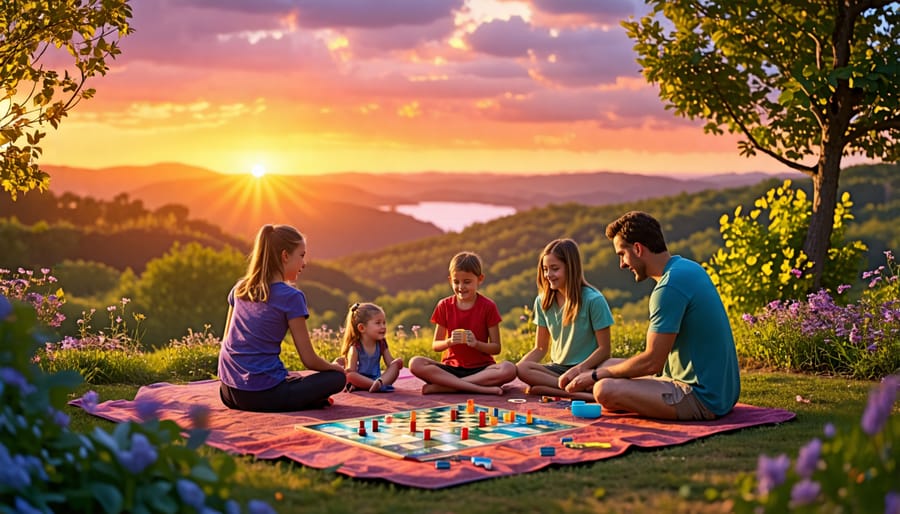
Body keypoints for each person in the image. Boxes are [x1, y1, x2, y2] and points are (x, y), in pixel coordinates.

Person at [578, 211, 740, 420]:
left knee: (604, 389)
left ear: (637, 248)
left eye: (622, 254)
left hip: (703, 398)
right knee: (605, 366)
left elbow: (652, 363)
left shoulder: (669, 287)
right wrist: (598, 371)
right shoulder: (687, 268)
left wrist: (594, 376)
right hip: (722, 392)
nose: (622, 264)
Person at [218, 224, 346, 412]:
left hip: (227, 391)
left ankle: (303, 395)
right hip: (263, 396)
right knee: (337, 379)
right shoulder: (292, 297)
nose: (304, 263)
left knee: (291, 378)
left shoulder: (240, 288)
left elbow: (227, 339)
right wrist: (335, 368)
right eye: (301, 255)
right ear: (285, 256)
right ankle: (309, 399)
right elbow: (309, 360)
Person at [517, 239, 615, 401]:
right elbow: (540, 348)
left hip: (586, 369)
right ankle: (574, 391)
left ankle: (561, 388)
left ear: (571, 268)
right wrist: (517, 371)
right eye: (545, 269)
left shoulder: (594, 300)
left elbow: (604, 349)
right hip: (557, 369)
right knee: (523, 368)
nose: (548, 275)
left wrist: (578, 370)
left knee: (535, 387)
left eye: (555, 269)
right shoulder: (542, 301)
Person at [408, 251, 517, 395]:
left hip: (481, 369)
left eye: (467, 282)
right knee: (415, 363)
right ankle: (475, 388)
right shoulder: (444, 305)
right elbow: (436, 345)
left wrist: (476, 344)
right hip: (451, 369)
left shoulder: (488, 306)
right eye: (456, 282)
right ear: (450, 280)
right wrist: (449, 341)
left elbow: (496, 348)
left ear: (480, 279)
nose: (461, 287)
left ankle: (448, 387)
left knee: (509, 369)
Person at [338, 302, 403, 392]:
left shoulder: (381, 343)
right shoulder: (355, 347)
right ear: (362, 328)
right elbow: (351, 371)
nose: (383, 327)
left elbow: (390, 363)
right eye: (378, 323)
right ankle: (374, 385)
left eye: (384, 323)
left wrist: (397, 363)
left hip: (378, 378)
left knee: (394, 366)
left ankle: (379, 383)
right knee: (350, 375)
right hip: (361, 380)